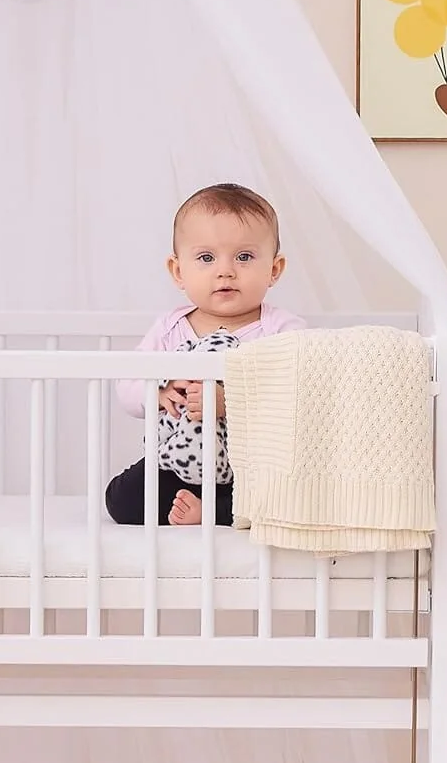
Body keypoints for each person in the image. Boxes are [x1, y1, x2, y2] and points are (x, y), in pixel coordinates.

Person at [106, 183, 303, 527]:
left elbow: (299, 394)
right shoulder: (169, 329)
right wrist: (159, 391)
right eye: (206, 258)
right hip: (178, 460)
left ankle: (216, 511)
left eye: (244, 257)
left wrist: (232, 403)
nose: (225, 271)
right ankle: (204, 505)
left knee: (287, 494)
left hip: (249, 465)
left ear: (274, 269)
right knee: (122, 499)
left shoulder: (282, 331)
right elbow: (127, 386)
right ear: (178, 271)